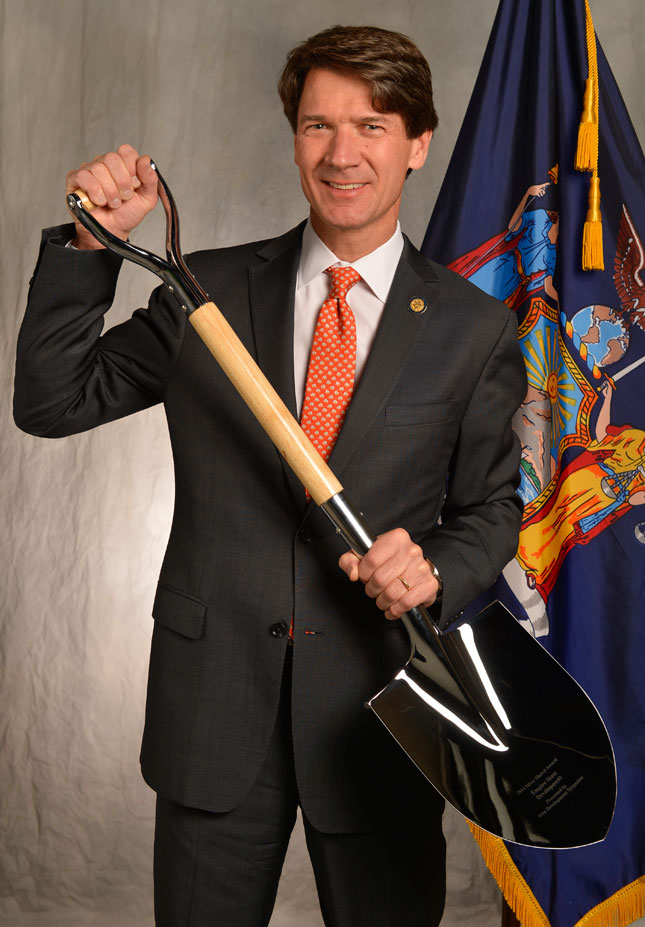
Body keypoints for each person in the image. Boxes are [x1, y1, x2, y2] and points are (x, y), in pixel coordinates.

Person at [14, 25, 526, 927]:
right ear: (293, 139)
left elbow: (490, 509)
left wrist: (436, 566)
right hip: (215, 712)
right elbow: (53, 400)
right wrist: (93, 246)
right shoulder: (202, 291)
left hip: (383, 720)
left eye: (370, 126)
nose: (341, 154)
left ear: (417, 143)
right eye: (317, 126)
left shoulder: (471, 329)